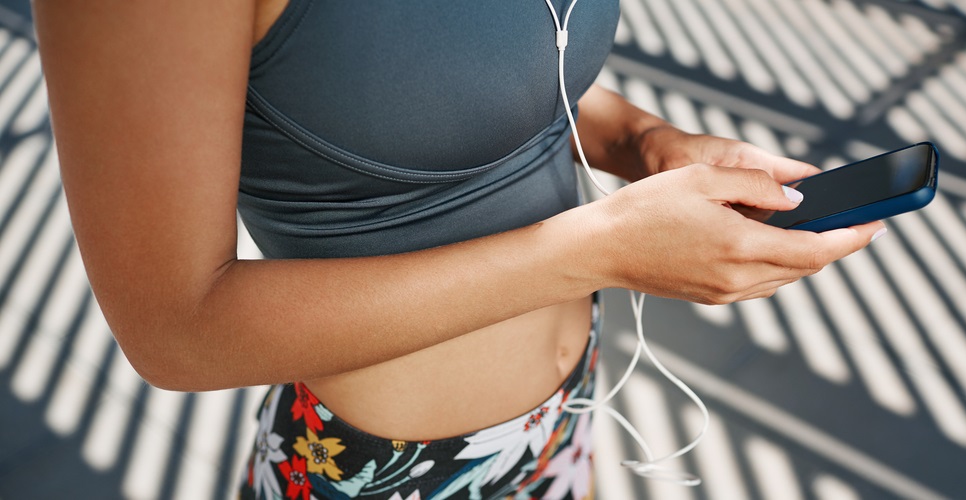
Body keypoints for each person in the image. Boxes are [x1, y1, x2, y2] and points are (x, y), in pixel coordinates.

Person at [33, 0, 884, 498]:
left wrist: (647, 141)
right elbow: (175, 330)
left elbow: (493, 77)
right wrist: (600, 249)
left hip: (565, 418)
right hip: (388, 471)